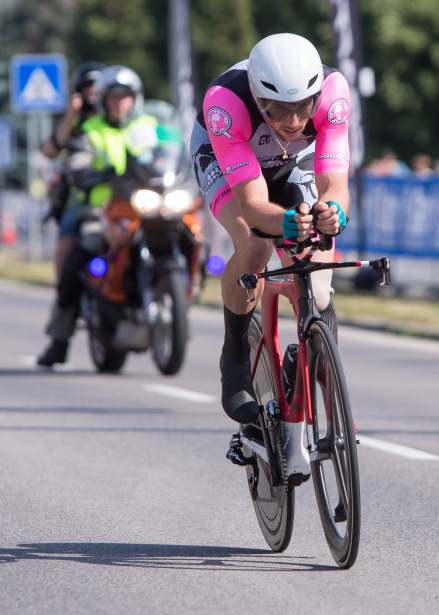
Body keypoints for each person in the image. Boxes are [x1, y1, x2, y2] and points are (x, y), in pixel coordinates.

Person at [190, 33, 350, 427]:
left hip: (294, 162)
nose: (293, 122)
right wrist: (286, 222)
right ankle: (235, 355)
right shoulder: (226, 102)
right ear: (258, 96)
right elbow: (254, 206)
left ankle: (312, 348)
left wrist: (332, 212)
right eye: (277, 110)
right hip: (229, 160)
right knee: (255, 246)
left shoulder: (333, 93)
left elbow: (334, 184)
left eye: (302, 108)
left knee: (317, 268)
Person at [36, 65, 160, 367]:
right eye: (112, 96)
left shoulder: (148, 125)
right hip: (101, 210)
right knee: (74, 263)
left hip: (146, 206)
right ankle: (60, 337)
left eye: (125, 96)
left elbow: (167, 152)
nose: (119, 102)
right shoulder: (89, 129)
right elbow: (63, 153)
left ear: (136, 98)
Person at [42, 62, 104, 278]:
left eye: (96, 86)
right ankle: (63, 292)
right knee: (69, 232)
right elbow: (49, 150)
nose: (92, 93)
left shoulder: (115, 116)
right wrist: (71, 116)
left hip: (117, 186)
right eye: (87, 87)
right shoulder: (75, 122)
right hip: (82, 190)